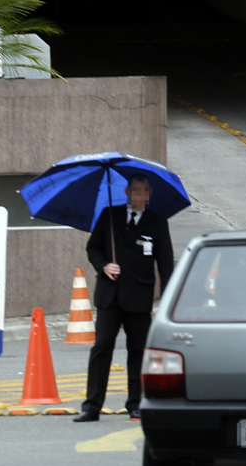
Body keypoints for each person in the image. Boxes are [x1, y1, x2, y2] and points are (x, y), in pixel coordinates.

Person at [74, 173, 175, 422]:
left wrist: (168, 299)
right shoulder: (109, 216)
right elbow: (93, 248)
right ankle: (92, 406)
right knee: (101, 348)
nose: (142, 196)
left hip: (139, 297)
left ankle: (136, 404)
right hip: (109, 296)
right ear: (128, 192)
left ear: (150, 194)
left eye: (146, 192)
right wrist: (104, 265)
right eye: (137, 191)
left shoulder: (157, 222)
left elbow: (165, 264)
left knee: (138, 351)